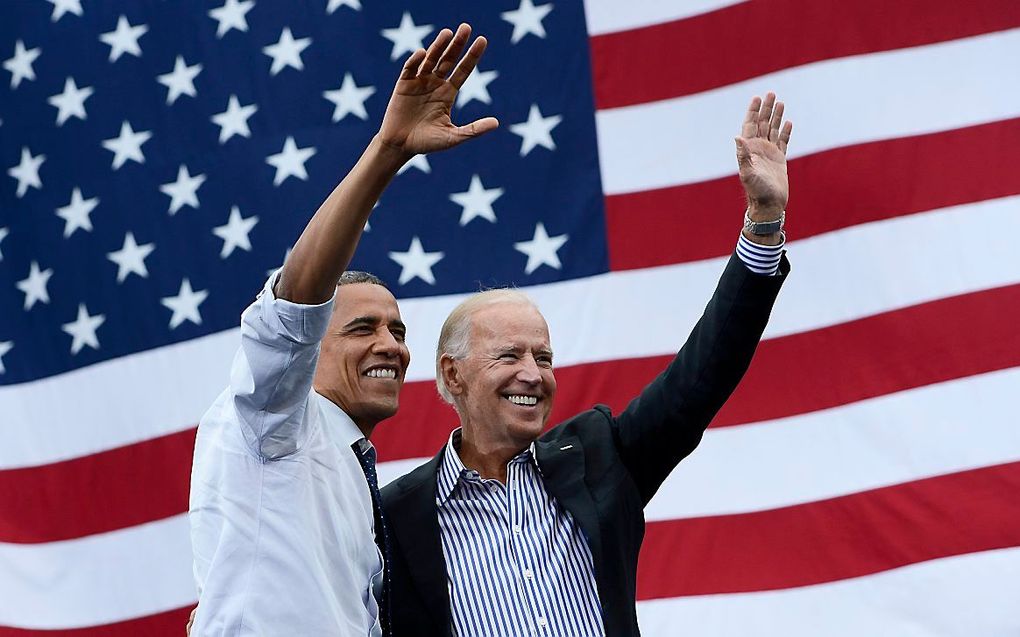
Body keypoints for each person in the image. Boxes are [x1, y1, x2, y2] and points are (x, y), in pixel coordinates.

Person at [380, 93, 794, 636]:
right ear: (453, 374)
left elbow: (701, 376)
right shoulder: (395, 518)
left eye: (544, 357)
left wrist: (763, 221)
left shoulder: (598, 458)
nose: (534, 373)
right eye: (510, 355)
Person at [187, 24, 497, 636]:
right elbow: (291, 309)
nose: (392, 346)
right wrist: (388, 152)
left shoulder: (348, 469)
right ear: (309, 350)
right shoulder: (275, 419)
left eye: (399, 330)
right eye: (362, 328)